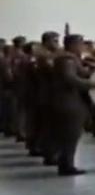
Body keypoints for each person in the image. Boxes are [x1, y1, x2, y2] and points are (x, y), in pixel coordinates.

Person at [53, 34, 95, 176]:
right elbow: (70, 78)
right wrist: (91, 84)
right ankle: (66, 165)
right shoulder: (66, 60)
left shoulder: (70, 58)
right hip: (68, 100)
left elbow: (80, 73)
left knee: (72, 134)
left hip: (72, 99)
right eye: (80, 44)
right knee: (70, 134)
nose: (83, 47)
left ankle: (67, 163)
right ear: (73, 45)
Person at [34, 32, 61, 164]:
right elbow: (54, 69)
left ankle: (51, 153)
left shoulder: (46, 54)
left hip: (50, 94)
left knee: (51, 126)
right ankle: (51, 155)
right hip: (48, 94)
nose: (57, 44)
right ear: (47, 41)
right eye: (55, 41)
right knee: (50, 127)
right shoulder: (43, 55)